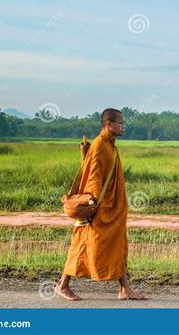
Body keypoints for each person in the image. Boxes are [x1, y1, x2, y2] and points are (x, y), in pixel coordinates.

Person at [55, 108, 147, 301]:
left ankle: (124, 288)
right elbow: (94, 177)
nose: (123, 126)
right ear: (108, 124)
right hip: (99, 209)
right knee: (82, 244)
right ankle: (62, 285)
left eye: (123, 123)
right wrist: (94, 202)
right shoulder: (99, 145)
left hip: (112, 208)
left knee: (117, 244)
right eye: (120, 123)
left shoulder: (110, 145)